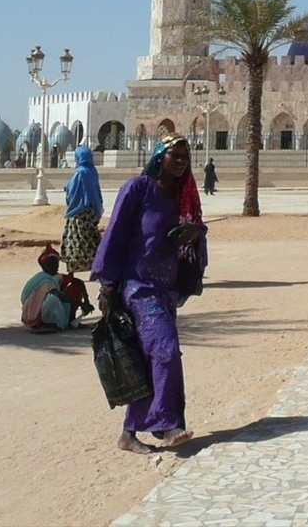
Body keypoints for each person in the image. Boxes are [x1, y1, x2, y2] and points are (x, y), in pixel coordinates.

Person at [92, 131, 208, 454]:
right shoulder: (138, 189)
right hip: (138, 288)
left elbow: (198, 234)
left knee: (150, 358)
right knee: (166, 350)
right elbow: (114, 235)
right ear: (160, 157)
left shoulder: (183, 196)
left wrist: (192, 235)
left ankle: (129, 433)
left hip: (165, 290)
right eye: (176, 155)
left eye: (186, 156)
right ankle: (167, 426)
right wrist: (108, 285)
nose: (182, 161)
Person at [21, 243, 90, 331]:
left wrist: (86, 300)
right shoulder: (43, 279)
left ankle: (70, 320)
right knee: (52, 299)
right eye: (50, 263)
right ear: (44, 265)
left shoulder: (58, 277)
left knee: (74, 287)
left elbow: (78, 282)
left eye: (55, 262)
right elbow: (58, 295)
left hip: (54, 305)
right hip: (37, 310)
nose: (53, 265)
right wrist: (81, 304)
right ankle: (47, 323)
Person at [62, 145, 104, 275]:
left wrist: (67, 188)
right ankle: (98, 268)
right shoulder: (93, 172)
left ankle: (72, 272)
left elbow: (72, 193)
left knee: (74, 241)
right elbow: (97, 192)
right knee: (92, 240)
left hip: (78, 213)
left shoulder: (80, 173)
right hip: (91, 212)